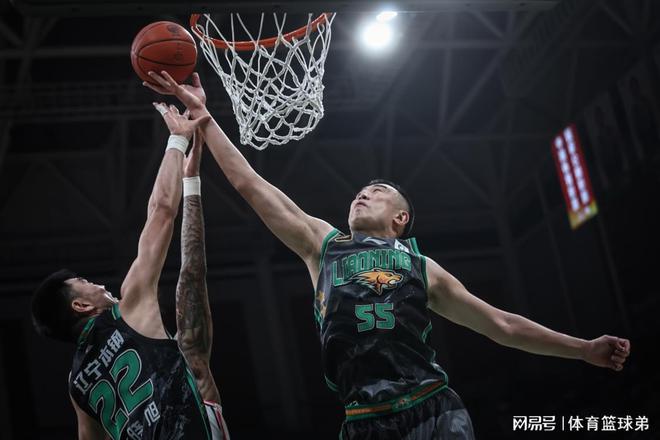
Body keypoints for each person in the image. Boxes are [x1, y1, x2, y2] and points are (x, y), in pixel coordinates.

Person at [145, 71, 631, 439]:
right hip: (363, 417)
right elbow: (253, 186)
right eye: (360, 191)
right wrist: (205, 119)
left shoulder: (422, 267)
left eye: (376, 192)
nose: (362, 194)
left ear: (401, 218)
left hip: (430, 408)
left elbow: (501, 325)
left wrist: (582, 349)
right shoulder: (324, 245)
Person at [31, 102, 229, 439]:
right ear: (81, 305)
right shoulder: (127, 310)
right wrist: (177, 140)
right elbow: (161, 211)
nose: (98, 284)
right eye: (85, 282)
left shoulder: (77, 384)